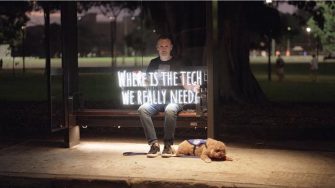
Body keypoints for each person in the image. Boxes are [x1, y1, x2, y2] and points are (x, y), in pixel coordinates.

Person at [138, 35, 195, 158]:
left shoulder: (178, 62)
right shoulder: (153, 63)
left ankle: (168, 145)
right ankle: (154, 144)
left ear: (171, 47)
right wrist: (141, 80)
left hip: (175, 99)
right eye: (161, 46)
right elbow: (147, 83)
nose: (164, 48)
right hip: (157, 100)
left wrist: (193, 87)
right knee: (143, 109)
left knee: (170, 109)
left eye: (166, 46)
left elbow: (185, 82)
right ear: (157, 48)